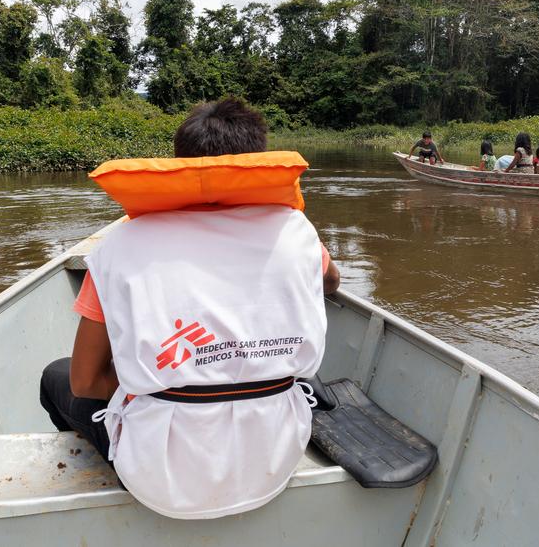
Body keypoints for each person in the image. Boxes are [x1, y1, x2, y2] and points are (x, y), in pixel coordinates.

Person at [39, 97, 341, 520]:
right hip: (274, 460)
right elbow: (331, 281)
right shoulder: (298, 233)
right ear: (256, 162)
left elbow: (86, 381)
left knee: (56, 377)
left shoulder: (121, 246)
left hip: (160, 480)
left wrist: (150, 382)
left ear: (181, 165)